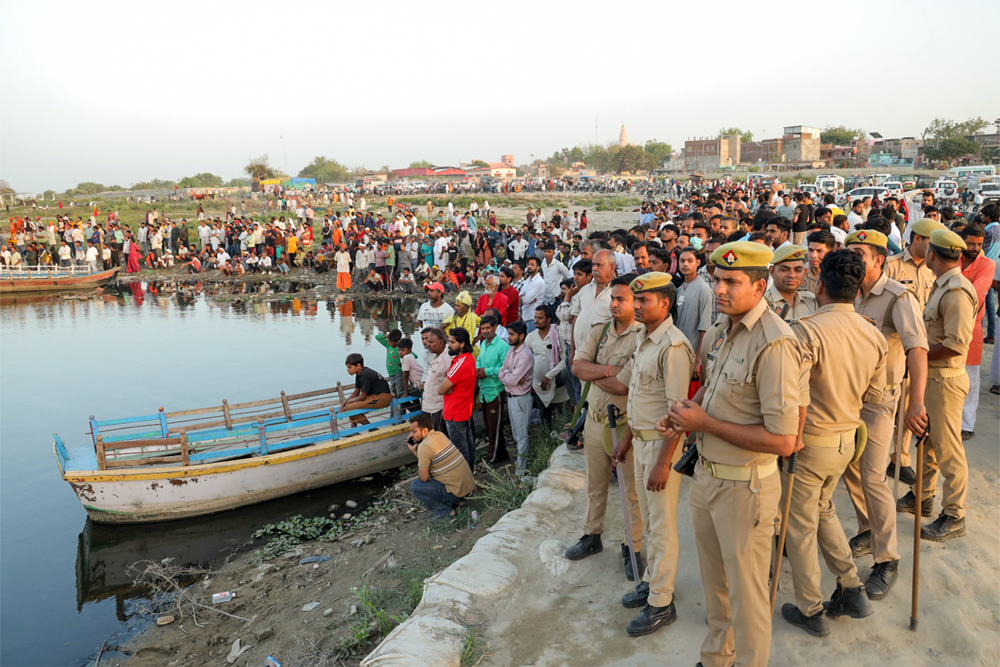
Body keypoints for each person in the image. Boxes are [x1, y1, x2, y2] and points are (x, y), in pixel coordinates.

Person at [658, 241, 801, 667]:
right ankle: (718, 657)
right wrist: (685, 413)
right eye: (717, 279)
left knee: (747, 595)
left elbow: (784, 440)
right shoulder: (723, 328)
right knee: (715, 585)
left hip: (745, 488)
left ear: (759, 287)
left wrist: (705, 424)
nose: (719, 289)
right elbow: (712, 385)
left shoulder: (775, 343)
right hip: (707, 477)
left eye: (731, 282)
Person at [780, 250, 886, 637]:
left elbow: (791, 396)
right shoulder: (872, 333)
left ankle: (810, 608)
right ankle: (851, 586)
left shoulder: (804, 330)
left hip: (809, 441)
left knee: (799, 526)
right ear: (857, 291)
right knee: (822, 510)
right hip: (846, 441)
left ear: (820, 284)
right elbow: (875, 395)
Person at [603, 272, 694, 637]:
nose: (636, 306)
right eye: (635, 300)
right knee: (650, 520)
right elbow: (636, 395)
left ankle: (661, 602)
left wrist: (662, 463)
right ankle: (653, 582)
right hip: (641, 442)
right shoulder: (645, 338)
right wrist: (626, 441)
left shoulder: (673, 347)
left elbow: (677, 413)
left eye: (643, 300)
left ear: (665, 304)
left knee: (661, 526)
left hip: (660, 447)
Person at [845, 228, 928, 598]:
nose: (852, 258)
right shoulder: (847, 292)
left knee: (874, 477)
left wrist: (917, 403)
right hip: (845, 398)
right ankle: (868, 529)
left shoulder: (897, 297)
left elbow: (917, 350)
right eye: (849, 251)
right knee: (849, 468)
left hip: (878, 401)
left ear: (879, 259)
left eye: (859, 253)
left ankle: (887, 558)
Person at [897, 229, 977, 542]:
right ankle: (923, 496)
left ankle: (955, 514)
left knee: (948, 450)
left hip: (944, 380)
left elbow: (956, 344)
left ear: (932, 254)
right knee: (927, 444)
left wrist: (918, 356)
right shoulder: (943, 285)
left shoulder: (956, 290)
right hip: (932, 378)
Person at [565, 274, 645, 584]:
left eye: (620, 299)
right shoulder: (599, 332)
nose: (613, 304)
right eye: (612, 298)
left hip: (624, 425)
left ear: (636, 302)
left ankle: (632, 546)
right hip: (595, 420)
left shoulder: (642, 336)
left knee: (630, 491)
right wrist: (611, 371)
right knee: (595, 485)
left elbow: (624, 386)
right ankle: (592, 534)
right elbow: (577, 366)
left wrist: (596, 373)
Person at [406, 413, 476, 522]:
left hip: (456, 492)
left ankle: (445, 512)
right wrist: (414, 450)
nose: (411, 435)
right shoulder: (439, 434)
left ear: (424, 431)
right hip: (467, 488)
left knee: (415, 486)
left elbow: (424, 478)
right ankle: (459, 501)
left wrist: (416, 450)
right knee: (433, 472)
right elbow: (428, 463)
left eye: (414, 431)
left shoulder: (424, 446)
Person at [957, 225, 992, 440]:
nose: (975, 248)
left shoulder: (987, 264)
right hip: (945, 325)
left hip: (972, 327)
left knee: (970, 377)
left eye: (979, 244)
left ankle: (966, 424)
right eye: (970, 243)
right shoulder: (952, 259)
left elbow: (977, 294)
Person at [438, 328, 477, 471]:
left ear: (462, 344)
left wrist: (446, 385)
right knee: (468, 445)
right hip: (463, 410)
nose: (449, 345)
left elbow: (440, 389)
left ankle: (464, 478)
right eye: (449, 341)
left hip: (456, 412)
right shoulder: (469, 359)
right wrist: (447, 385)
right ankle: (470, 473)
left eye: (452, 342)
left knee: (460, 449)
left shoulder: (460, 363)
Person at [499, 320, 534, 475]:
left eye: (512, 334)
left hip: (521, 398)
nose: (509, 337)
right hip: (511, 397)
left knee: (522, 436)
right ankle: (521, 466)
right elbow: (501, 372)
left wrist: (509, 376)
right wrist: (509, 375)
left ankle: (521, 471)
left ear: (521, 336)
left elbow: (512, 379)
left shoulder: (525, 355)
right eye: (509, 334)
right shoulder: (511, 351)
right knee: (516, 434)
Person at [525, 305, 567, 430]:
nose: (536, 320)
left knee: (567, 372)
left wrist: (549, 376)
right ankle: (547, 432)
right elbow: (525, 361)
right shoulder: (531, 337)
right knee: (544, 412)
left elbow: (565, 359)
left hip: (556, 377)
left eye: (540, 318)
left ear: (548, 319)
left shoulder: (557, 335)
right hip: (537, 382)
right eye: (535, 317)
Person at [476, 315, 511, 465]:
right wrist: (478, 369)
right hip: (484, 391)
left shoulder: (502, 346)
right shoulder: (483, 343)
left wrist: (487, 371)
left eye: (488, 328)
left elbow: (506, 369)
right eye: (483, 328)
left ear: (495, 328)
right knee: (490, 426)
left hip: (496, 391)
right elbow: (479, 360)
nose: (485, 331)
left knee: (494, 428)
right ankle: (502, 454)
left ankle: (492, 458)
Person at [675, 246, 715, 367]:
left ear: (698, 262)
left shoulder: (703, 290)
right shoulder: (680, 289)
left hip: (692, 352)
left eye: (690, 261)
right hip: (678, 349)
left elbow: (705, 326)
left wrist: (698, 357)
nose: (685, 264)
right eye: (682, 261)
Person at [765, 245, 817, 321]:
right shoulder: (763, 304)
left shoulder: (812, 301)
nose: (792, 275)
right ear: (772, 271)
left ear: (804, 272)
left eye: (798, 270)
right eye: (784, 270)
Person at [341, 353, 394, 426]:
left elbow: (362, 397)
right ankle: (354, 428)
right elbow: (355, 393)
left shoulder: (366, 374)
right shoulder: (359, 374)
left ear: (358, 365)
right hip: (373, 397)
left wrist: (349, 402)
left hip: (382, 397)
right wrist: (344, 404)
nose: (348, 370)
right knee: (350, 406)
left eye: (350, 367)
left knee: (350, 407)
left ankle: (371, 428)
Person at [419, 328, 450, 431]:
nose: (427, 344)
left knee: (441, 435)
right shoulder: (434, 355)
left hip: (439, 407)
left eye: (431, 342)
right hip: (431, 405)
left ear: (440, 343)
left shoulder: (447, 358)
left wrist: (445, 409)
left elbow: (450, 386)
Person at [376, 329, 407, 398]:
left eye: (391, 341)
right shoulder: (388, 345)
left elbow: (413, 356)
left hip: (398, 373)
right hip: (390, 373)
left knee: (399, 392)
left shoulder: (400, 349)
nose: (389, 342)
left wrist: (403, 362)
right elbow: (377, 337)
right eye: (388, 340)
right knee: (392, 393)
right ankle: (395, 404)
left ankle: (402, 404)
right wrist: (387, 336)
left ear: (397, 341)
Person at [804, 229, 836, 294]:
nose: (813, 255)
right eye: (810, 250)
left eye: (819, 251)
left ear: (830, 253)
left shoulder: (837, 275)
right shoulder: (800, 273)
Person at [520, 257, 545, 331]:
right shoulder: (527, 280)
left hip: (533, 316)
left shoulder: (539, 282)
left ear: (538, 267)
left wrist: (525, 299)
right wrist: (526, 298)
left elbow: (526, 300)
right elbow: (520, 296)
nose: (529, 266)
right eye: (528, 264)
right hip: (525, 315)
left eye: (532, 265)